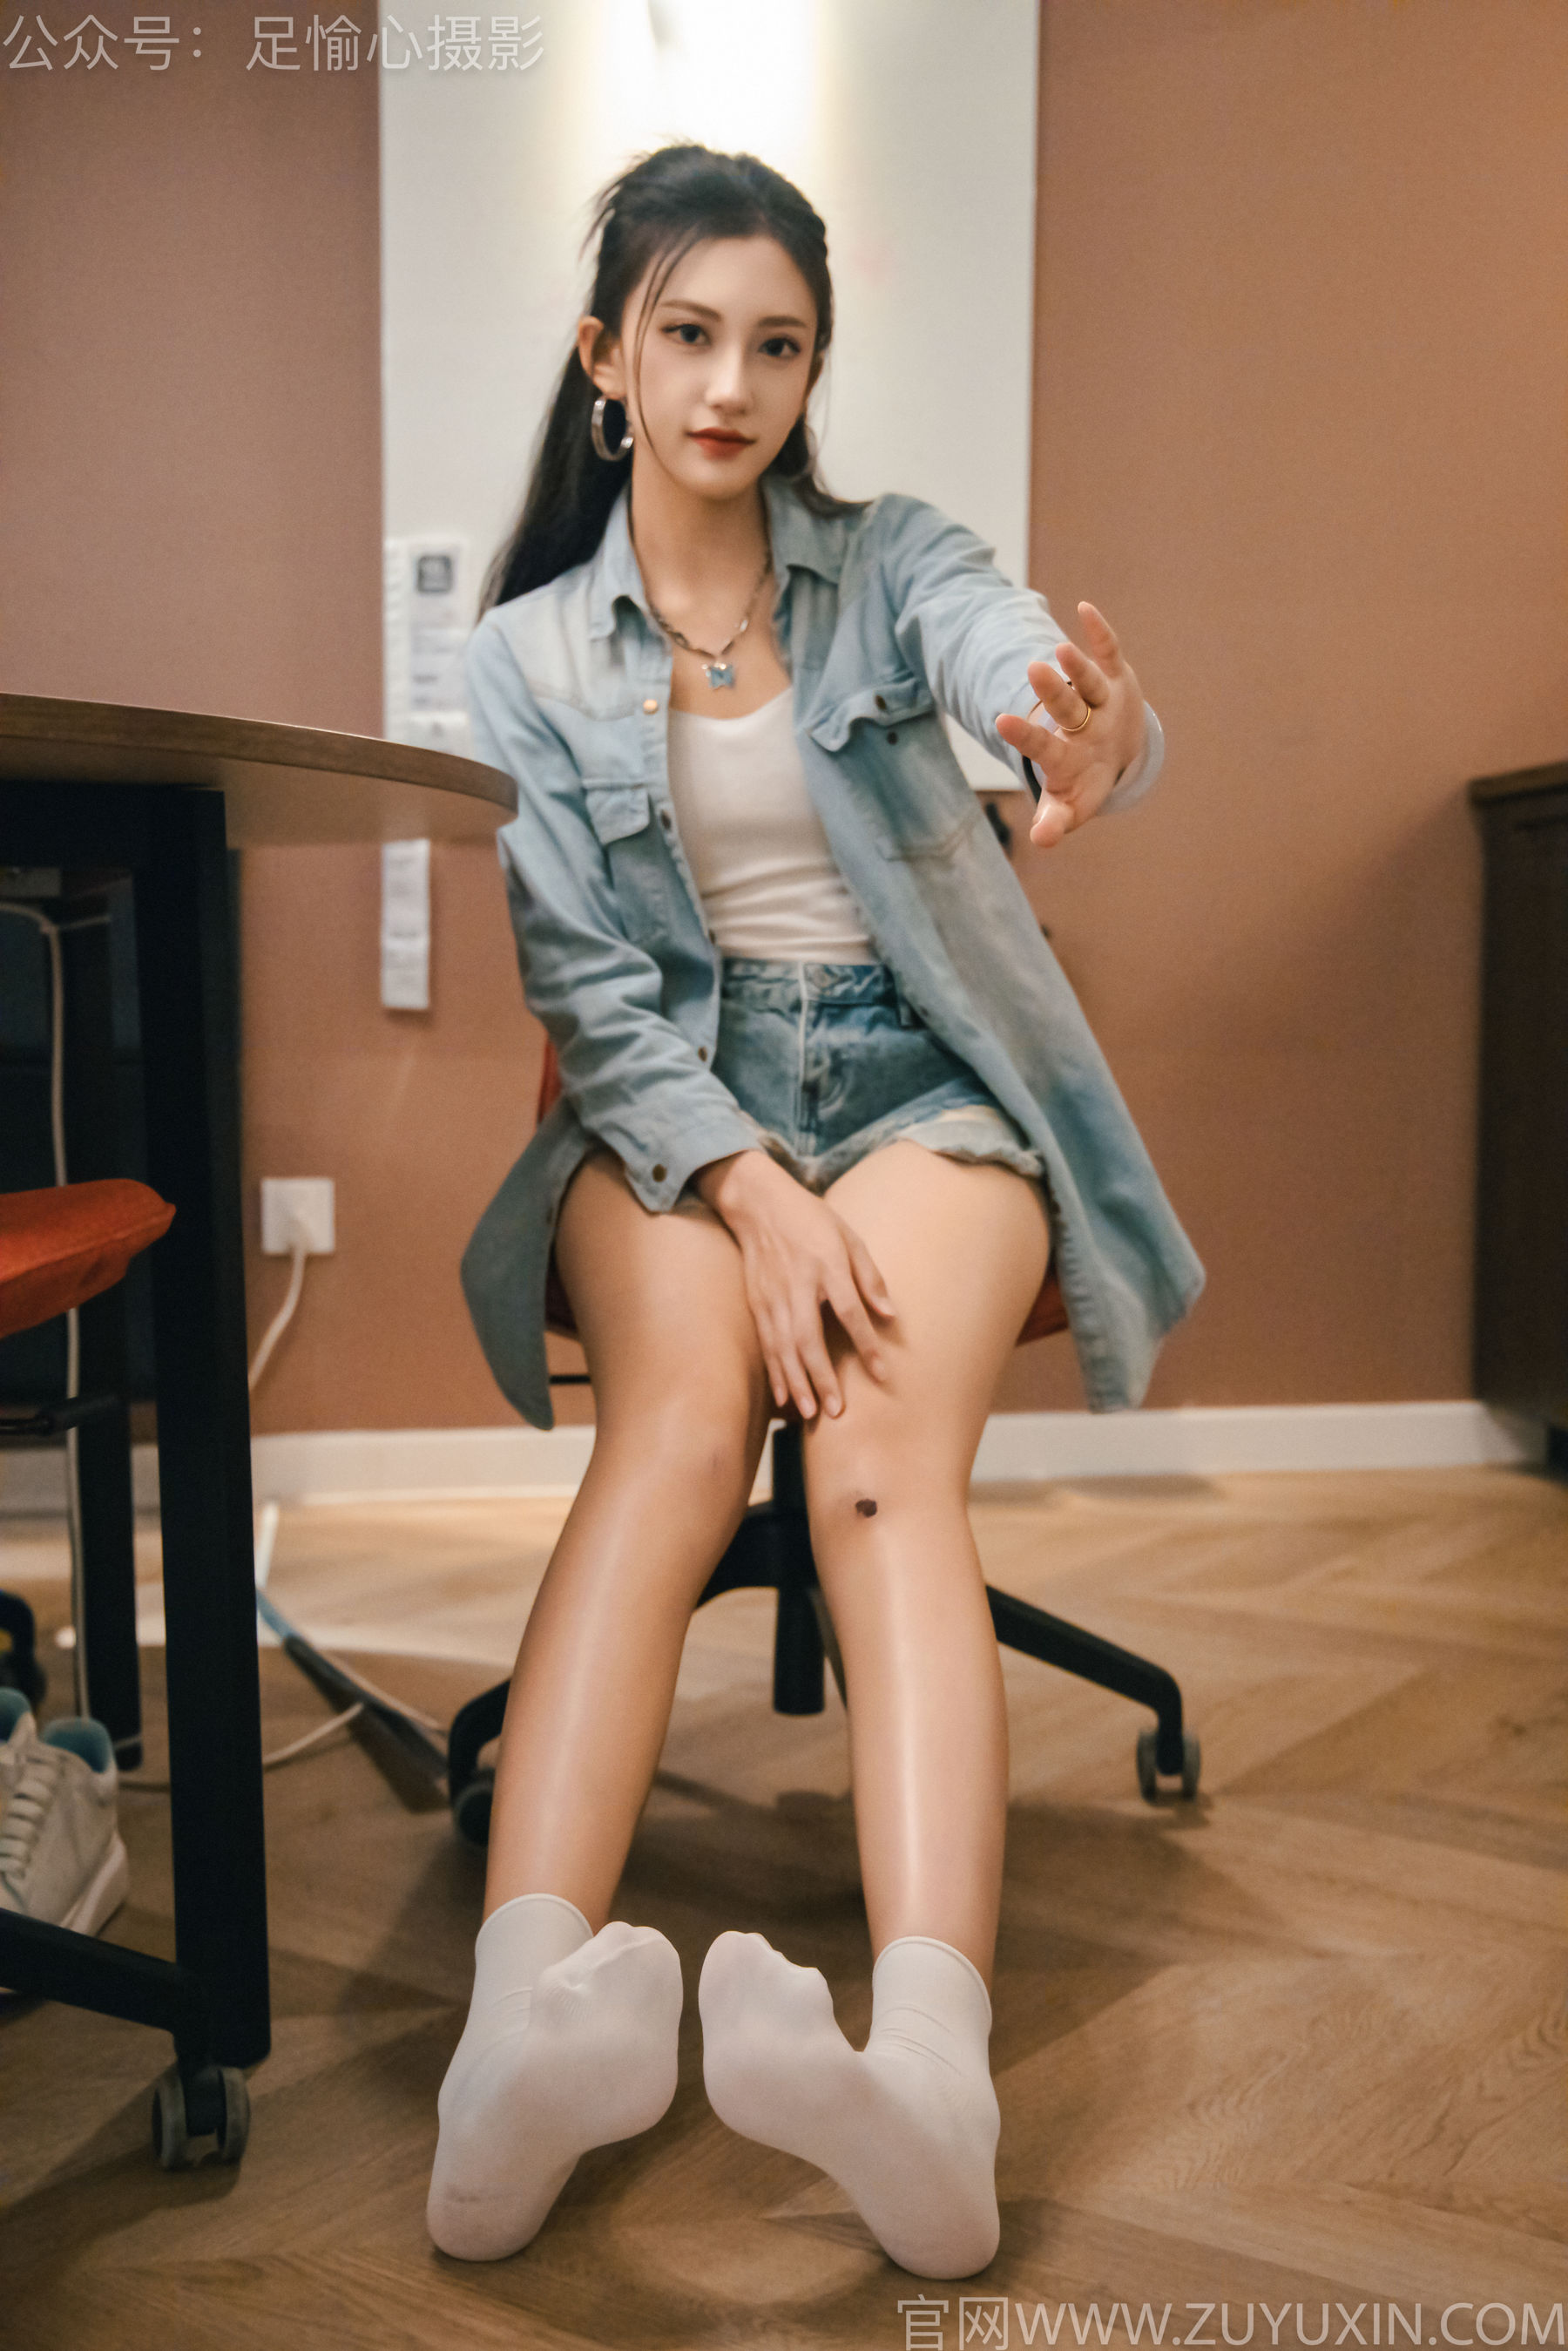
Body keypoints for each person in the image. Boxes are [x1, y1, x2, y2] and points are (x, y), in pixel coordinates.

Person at [428, 141, 1203, 2280]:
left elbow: (1018, 665)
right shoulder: (522, 655)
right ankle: (512, 2053)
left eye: (777, 344)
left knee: (871, 1467)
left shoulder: (892, 564)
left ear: (812, 368)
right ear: (606, 353)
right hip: (676, 1110)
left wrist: (1098, 736)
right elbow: (591, 999)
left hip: (927, 1083)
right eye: (687, 334)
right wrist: (753, 1186)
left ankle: (932, 2077)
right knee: (677, 1435)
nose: (730, 383)